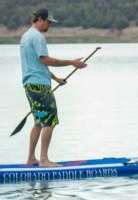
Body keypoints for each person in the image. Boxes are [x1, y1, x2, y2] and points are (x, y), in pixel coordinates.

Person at [20, 8, 88, 167]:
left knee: (38, 121)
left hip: (30, 85)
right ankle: (44, 160)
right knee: (49, 121)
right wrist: (72, 62)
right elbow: (45, 60)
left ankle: (31, 158)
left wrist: (56, 79)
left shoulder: (25, 36)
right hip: (40, 87)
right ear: (41, 20)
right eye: (49, 22)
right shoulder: (38, 37)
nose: (49, 25)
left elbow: (35, 65)